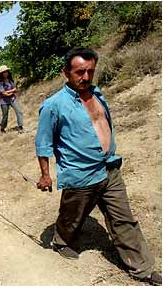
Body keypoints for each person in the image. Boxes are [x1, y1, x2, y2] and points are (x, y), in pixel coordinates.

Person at [35, 47, 161, 285]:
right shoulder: (54, 105)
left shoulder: (97, 94)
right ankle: (61, 241)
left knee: (123, 219)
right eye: (79, 72)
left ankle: (142, 269)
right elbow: (43, 143)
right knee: (72, 217)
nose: (85, 77)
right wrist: (45, 175)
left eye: (90, 71)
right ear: (66, 72)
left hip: (109, 169)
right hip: (80, 174)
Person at [0, 65, 23, 133]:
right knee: (5, 116)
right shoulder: (0, 83)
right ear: (1, 74)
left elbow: (15, 90)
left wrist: (10, 92)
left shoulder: (11, 81)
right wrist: (12, 91)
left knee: (19, 111)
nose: (5, 73)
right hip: (4, 101)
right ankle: (2, 128)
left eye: (6, 71)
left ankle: (20, 127)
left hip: (12, 99)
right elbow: (4, 93)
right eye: (4, 72)